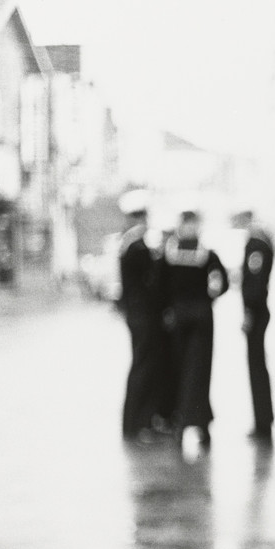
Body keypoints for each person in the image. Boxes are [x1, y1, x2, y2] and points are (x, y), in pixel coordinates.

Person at [159, 209, 229, 461]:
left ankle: (181, 419)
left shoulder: (169, 254)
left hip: (179, 318)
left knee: (180, 370)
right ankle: (199, 421)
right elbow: (222, 283)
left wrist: (169, 309)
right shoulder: (207, 254)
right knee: (199, 370)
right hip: (200, 318)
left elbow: (159, 286)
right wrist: (208, 298)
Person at [118, 188, 165, 443]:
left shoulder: (127, 244)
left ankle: (134, 423)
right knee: (144, 368)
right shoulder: (138, 247)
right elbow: (152, 284)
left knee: (141, 365)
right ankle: (139, 423)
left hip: (136, 314)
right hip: (144, 315)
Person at [239, 212, 274, 441]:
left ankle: (263, 421)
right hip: (259, 312)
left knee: (256, 367)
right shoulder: (262, 241)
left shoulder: (256, 244)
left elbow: (254, 284)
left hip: (257, 313)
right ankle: (263, 418)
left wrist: (248, 312)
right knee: (258, 366)